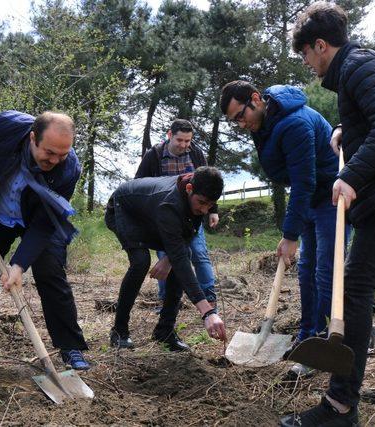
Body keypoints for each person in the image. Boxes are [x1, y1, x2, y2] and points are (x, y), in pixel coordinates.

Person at [279, 2, 375, 426]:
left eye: (306, 54)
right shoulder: (353, 71)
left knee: (356, 284)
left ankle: (341, 406)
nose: (307, 64)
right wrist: (350, 129)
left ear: (321, 45)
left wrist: (350, 174)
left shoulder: (358, 65)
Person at [220, 81, 349, 379]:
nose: (240, 124)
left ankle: (328, 344)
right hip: (312, 198)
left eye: (240, 115)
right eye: (233, 121)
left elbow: (303, 181)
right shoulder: (265, 123)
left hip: (331, 197)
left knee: (325, 271)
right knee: (306, 270)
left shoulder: (293, 124)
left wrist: (290, 235)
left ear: (256, 99)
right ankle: (307, 336)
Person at [0, 110, 90, 371]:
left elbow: (45, 223)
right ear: (33, 138)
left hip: (38, 219)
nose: (56, 160)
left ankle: (71, 347)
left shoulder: (68, 169)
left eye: (63, 154)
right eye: (49, 152)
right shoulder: (4, 126)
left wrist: (19, 265)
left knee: (51, 274)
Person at [105, 166, 227, 351]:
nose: (204, 210)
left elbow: (187, 234)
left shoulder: (200, 195)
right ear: (189, 189)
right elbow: (179, 256)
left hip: (150, 211)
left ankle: (165, 331)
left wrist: (169, 258)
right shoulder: (170, 204)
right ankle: (119, 330)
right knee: (140, 261)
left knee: (182, 256)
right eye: (201, 203)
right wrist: (207, 311)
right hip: (124, 208)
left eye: (209, 205)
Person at [135, 119, 219, 306]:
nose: (183, 145)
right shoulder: (154, 155)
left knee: (199, 254)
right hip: (164, 216)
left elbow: (209, 183)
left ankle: (210, 299)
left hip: (192, 215)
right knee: (165, 257)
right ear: (169, 135)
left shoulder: (195, 153)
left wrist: (212, 210)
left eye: (187, 141)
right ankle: (167, 301)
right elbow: (139, 184)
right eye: (179, 140)